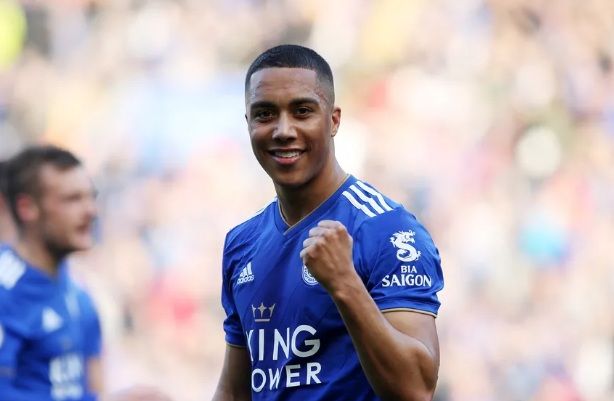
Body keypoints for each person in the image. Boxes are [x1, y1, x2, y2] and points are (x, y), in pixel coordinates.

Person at [212, 45, 444, 401]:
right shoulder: (242, 243)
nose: (283, 130)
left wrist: (344, 283)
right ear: (248, 124)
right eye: (265, 114)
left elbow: (415, 390)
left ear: (333, 121)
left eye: (302, 111)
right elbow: (234, 391)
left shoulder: (389, 231)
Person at [0, 145, 170, 401]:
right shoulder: (5, 293)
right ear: (27, 208)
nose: (91, 211)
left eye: (92, 197)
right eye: (72, 199)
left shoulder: (80, 297)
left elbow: (92, 391)